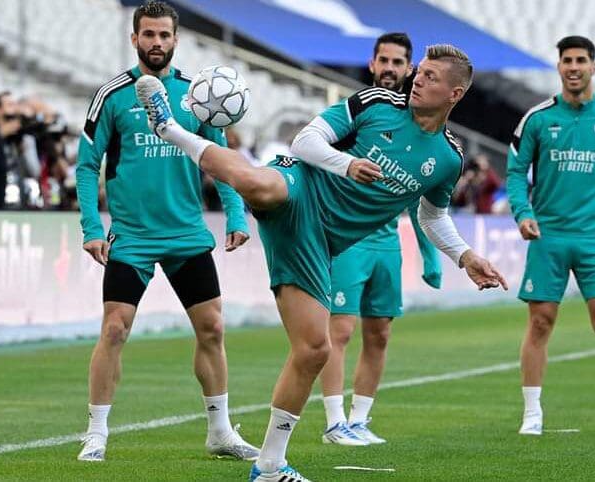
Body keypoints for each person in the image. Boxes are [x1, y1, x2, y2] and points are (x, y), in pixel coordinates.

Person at [137, 43, 508, 482]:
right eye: (419, 72)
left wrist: (464, 256)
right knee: (262, 186)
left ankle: (270, 465)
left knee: (315, 349)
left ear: (455, 93)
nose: (417, 79)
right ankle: (169, 129)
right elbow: (305, 140)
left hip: (317, 243)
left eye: (430, 76)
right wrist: (347, 164)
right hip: (300, 184)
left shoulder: (448, 158)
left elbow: (431, 215)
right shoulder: (375, 104)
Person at [75, 1, 259, 462]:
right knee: (115, 329)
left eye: (165, 35)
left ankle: (219, 431)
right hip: (132, 236)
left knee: (213, 328)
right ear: (133, 38)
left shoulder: (198, 95)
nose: (157, 42)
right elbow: (85, 166)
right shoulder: (112, 95)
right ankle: (96, 432)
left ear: (176, 40)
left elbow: (221, 162)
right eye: (149, 35)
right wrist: (92, 227)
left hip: (186, 234)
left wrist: (236, 214)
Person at [507, 36, 595, 438]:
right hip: (548, 236)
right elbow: (515, 172)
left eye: (581, 60)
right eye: (567, 60)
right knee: (541, 322)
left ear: (593, 67)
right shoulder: (537, 118)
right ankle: (532, 413)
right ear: (559, 67)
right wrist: (523, 212)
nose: (574, 67)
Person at [318, 32, 442, 447]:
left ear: (409, 70)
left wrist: (430, 255)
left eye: (398, 62)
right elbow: (316, 154)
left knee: (380, 333)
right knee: (339, 331)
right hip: (347, 240)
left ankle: (360, 420)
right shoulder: (360, 112)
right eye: (383, 60)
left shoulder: (419, 123)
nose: (389, 68)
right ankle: (334, 422)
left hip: (387, 243)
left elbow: (415, 197)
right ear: (372, 64)